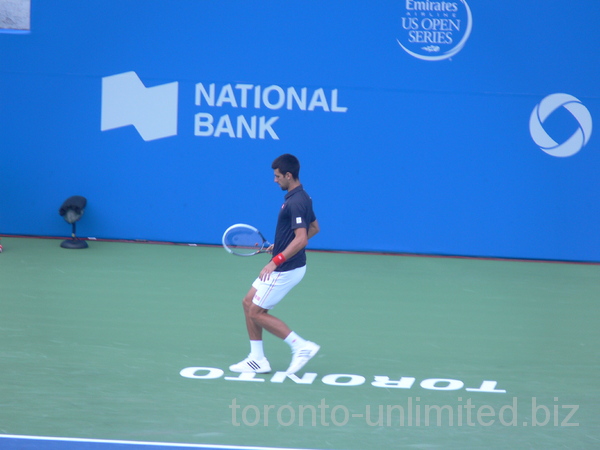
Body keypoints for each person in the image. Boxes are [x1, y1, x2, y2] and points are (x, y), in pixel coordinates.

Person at [229, 154, 320, 375]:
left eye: (277, 176)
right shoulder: (302, 197)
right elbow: (314, 228)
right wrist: (279, 246)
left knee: (256, 312)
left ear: (289, 175)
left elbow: (302, 239)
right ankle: (257, 359)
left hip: (285, 269)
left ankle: (301, 347)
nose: (275, 180)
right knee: (248, 302)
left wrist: (276, 260)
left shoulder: (296, 202)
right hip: (288, 262)